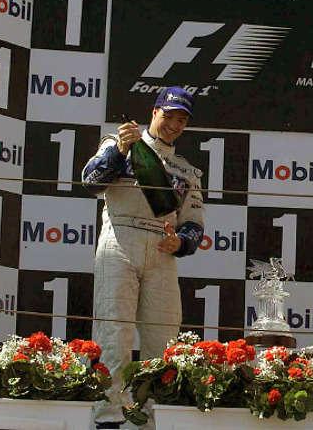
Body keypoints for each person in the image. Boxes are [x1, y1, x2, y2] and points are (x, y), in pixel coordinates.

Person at [82, 87, 205, 429]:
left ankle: (150, 422)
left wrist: (179, 242)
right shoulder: (118, 142)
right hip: (118, 239)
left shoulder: (188, 171)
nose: (173, 125)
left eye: (181, 120)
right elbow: (91, 183)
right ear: (154, 112)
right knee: (114, 333)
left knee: (163, 341)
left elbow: (194, 224)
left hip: (161, 250)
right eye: (168, 116)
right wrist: (120, 149)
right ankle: (108, 419)